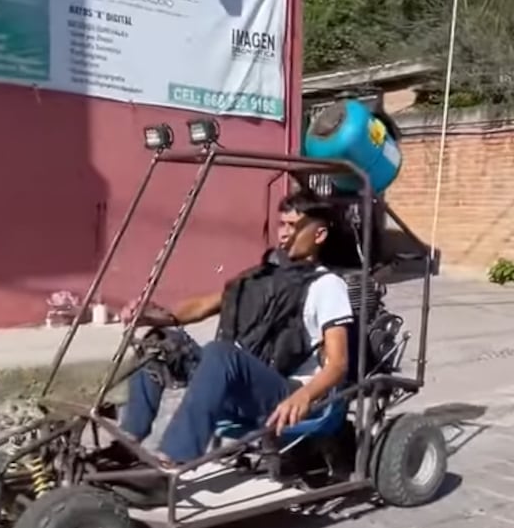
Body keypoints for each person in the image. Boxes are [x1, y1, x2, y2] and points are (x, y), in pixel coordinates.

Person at [118, 190, 356, 466]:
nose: (283, 233)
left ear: (319, 235)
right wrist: (156, 316)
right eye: (281, 224)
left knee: (221, 353)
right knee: (159, 343)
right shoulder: (265, 276)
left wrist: (305, 395)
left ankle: (172, 461)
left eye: (293, 226)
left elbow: (338, 364)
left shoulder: (327, 286)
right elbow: (202, 306)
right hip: (242, 380)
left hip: (286, 391)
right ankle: (126, 447)